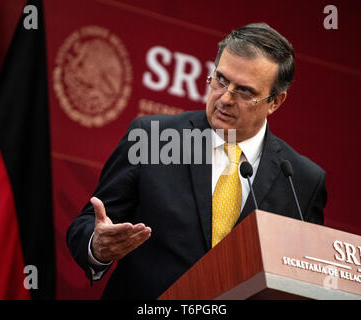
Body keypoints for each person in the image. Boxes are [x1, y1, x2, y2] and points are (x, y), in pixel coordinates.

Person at [66, 22, 327, 299]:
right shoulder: (153, 138)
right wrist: (98, 247)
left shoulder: (301, 180)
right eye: (221, 80)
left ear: (275, 101)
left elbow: (302, 279)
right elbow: (87, 225)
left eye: (245, 91)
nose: (225, 98)